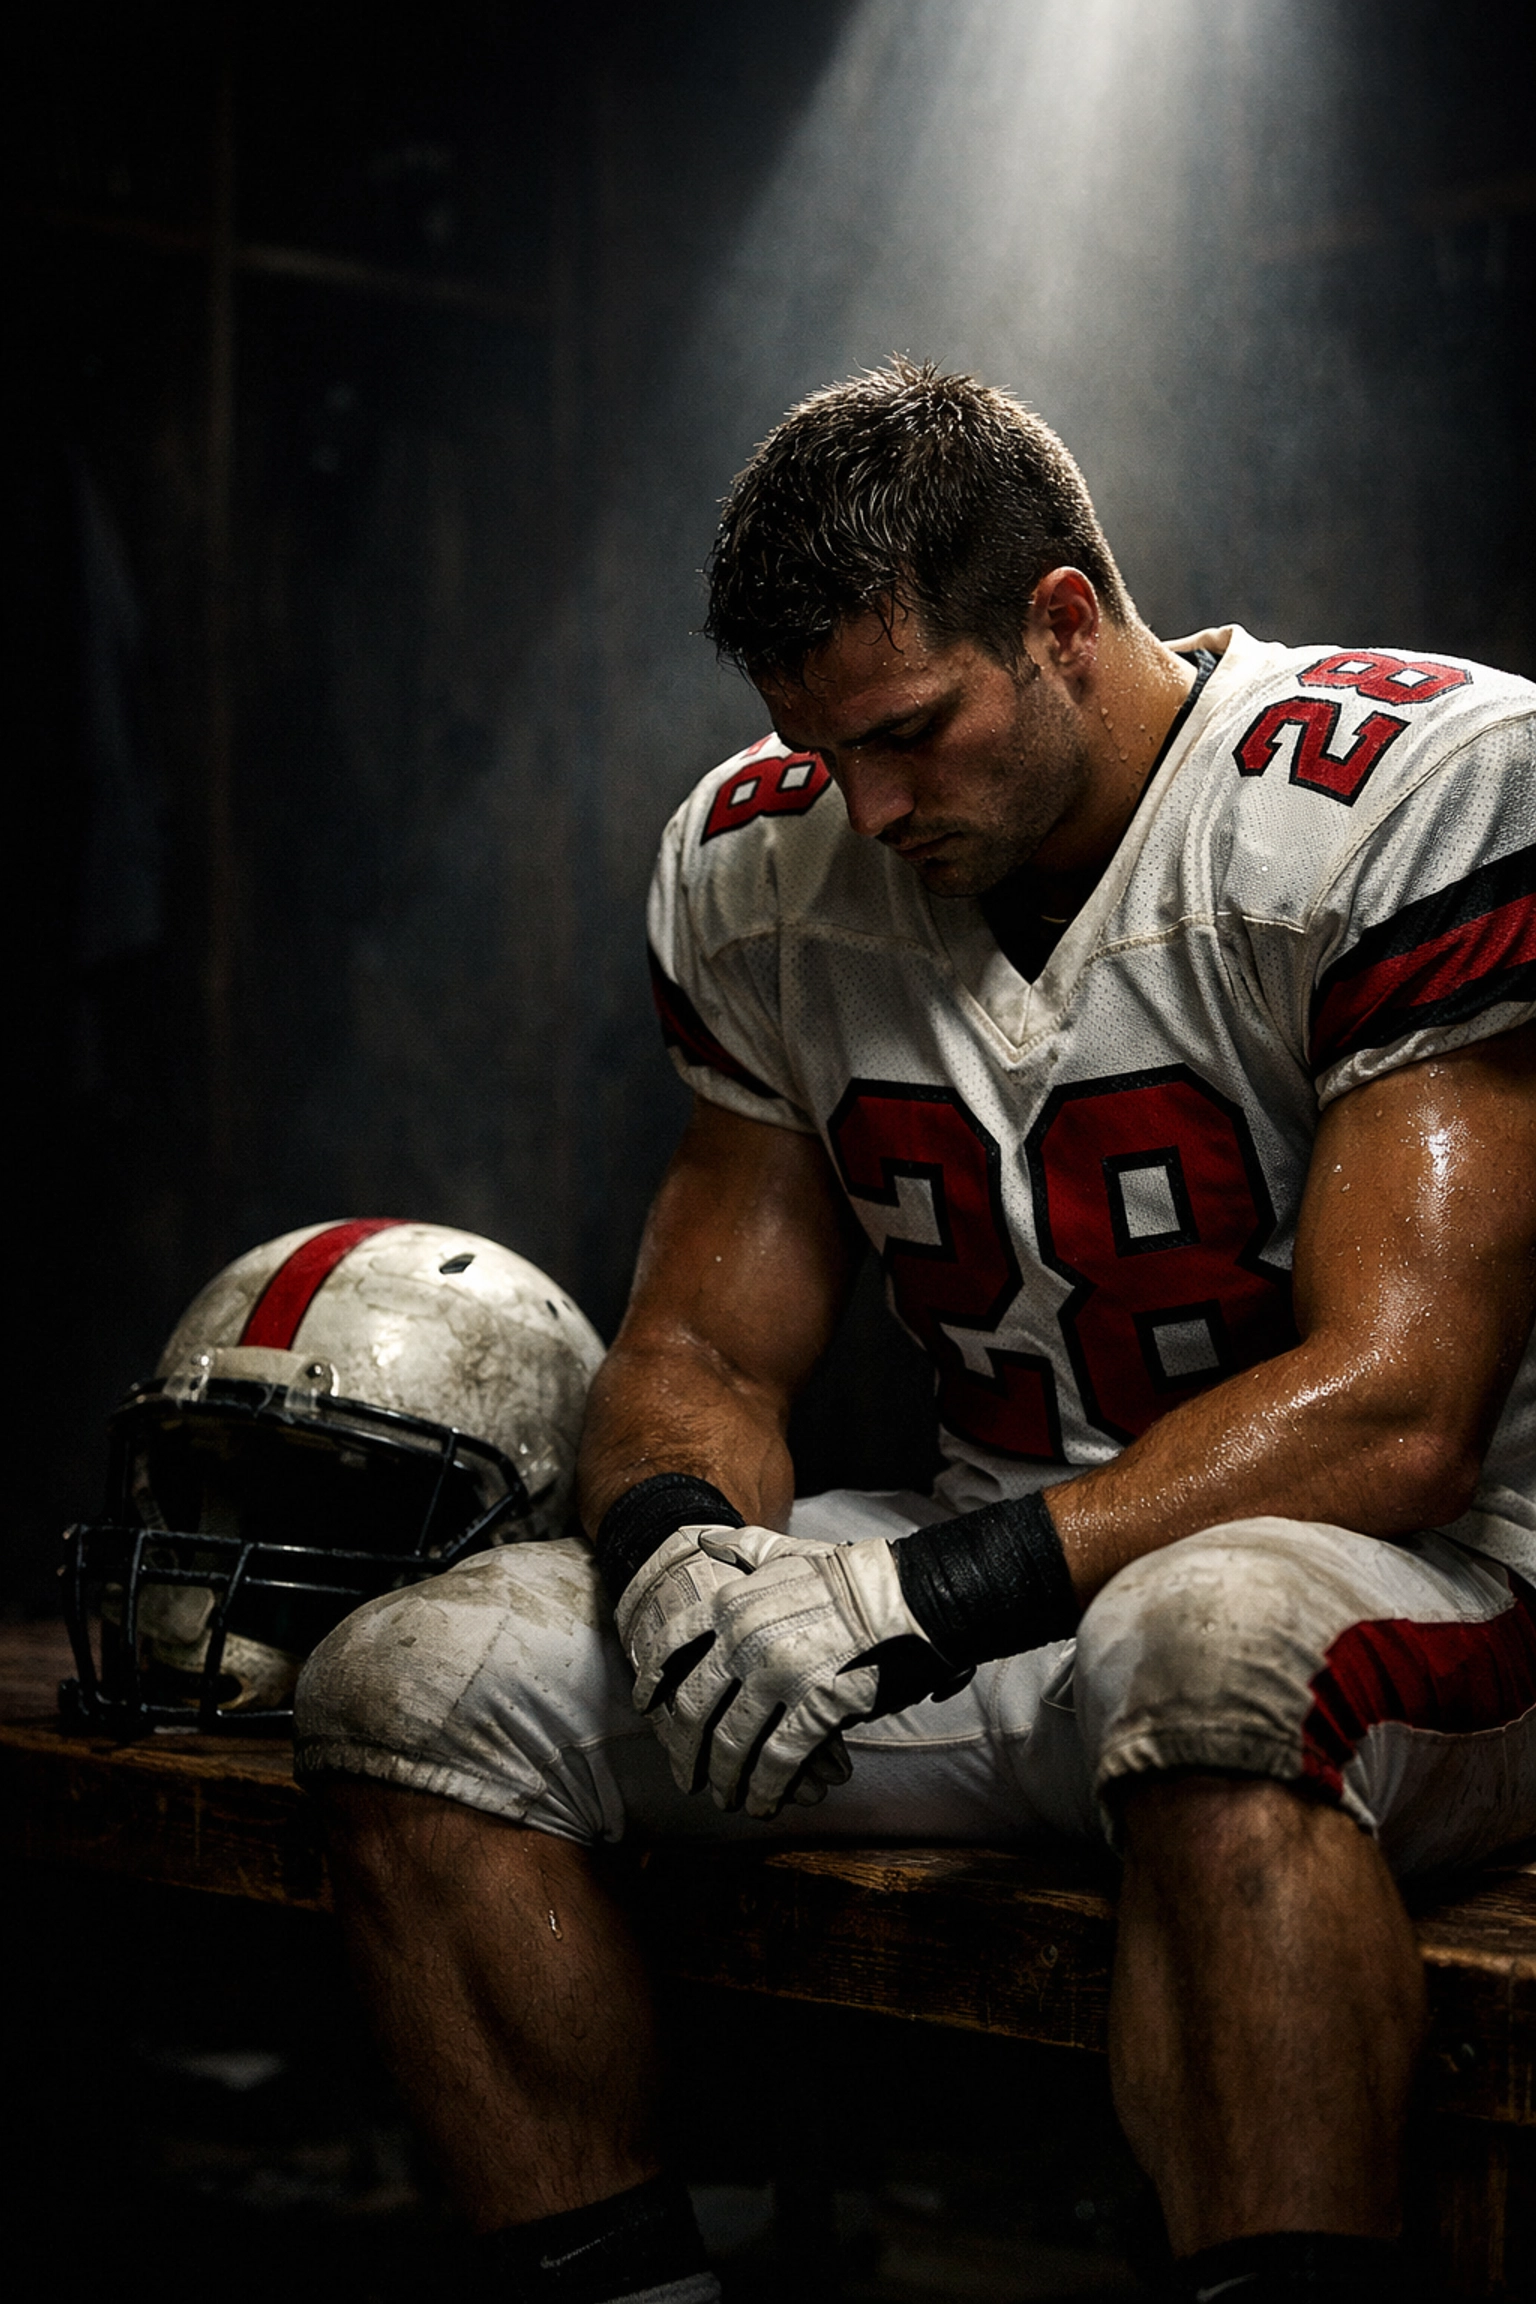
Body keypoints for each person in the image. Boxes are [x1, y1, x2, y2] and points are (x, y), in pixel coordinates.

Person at [295, 360, 1536, 2304]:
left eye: (909, 733)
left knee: (1202, 1649)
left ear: (1060, 621)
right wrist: (680, 1551)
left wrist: (910, 1601)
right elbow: (703, 1342)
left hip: (1438, 1586)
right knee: (411, 1680)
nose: (863, 807)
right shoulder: (765, 860)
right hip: (995, 1582)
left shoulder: (1410, 785)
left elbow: (1404, 1410)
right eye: (818, 745)